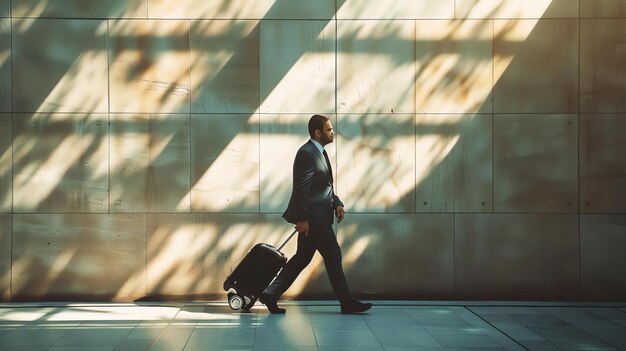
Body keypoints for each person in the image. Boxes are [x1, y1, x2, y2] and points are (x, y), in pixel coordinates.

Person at [259, 114, 372, 314]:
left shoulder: (318, 151)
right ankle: (346, 303)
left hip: (316, 217)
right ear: (318, 133)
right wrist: (303, 220)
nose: (333, 132)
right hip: (314, 220)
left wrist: (336, 202)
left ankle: (270, 293)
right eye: (329, 130)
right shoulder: (307, 153)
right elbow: (302, 190)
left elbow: (323, 186)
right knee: (333, 254)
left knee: (302, 258)